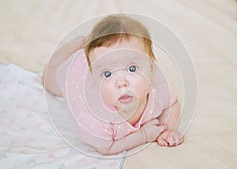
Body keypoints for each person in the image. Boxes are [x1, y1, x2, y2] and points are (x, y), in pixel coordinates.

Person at [42, 14, 184, 155]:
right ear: (95, 80)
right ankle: (77, 44)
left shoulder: (157, 90)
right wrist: (143, 136)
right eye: (108, 74)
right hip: (76, 71)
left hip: (97, 63)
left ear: (152, 68)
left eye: (132, 69)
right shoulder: (96, 116)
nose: (121, 83)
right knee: (48, 80)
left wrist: (167, 130)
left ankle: (92, 54)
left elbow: (172, 104)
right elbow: (106, 148)